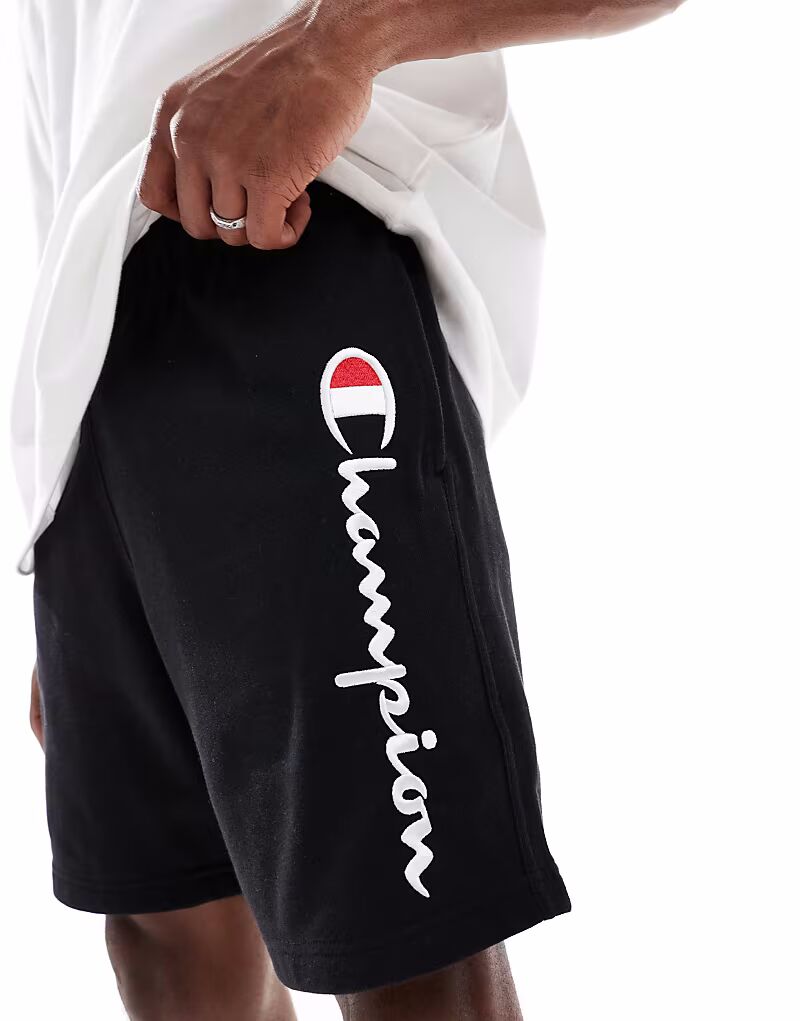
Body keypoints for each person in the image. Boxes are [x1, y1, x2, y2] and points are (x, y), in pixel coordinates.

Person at [17, 1, 684, 1018]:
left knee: (405, 942)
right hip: (90, 350)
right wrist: (52, 481)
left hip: (294, 259)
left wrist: (339, 42)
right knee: (167, 922)